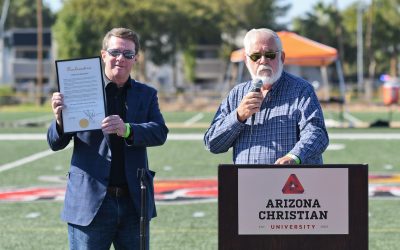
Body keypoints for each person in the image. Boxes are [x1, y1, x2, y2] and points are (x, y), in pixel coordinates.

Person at [48, 27, 168, 249]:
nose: (120, 59)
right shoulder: (79, 89)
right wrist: (59, 120)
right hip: (89, 203)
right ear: (103, 55)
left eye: (128, 54)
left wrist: (129, 130)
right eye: (114, 52)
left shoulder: (146, 93)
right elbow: (55, 142)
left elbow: (160, 132)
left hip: (133, 202)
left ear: (136, 59)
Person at [204, 28, 328, 164]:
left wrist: (294, 157)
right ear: (246, 60)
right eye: (256, 56)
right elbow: (212, 144)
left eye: (270, 55)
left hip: (290, 181)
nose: (263, 61)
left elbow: (317, 134)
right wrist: (238, 116)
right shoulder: (237, 94)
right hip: (248, 183)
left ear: (282, 57)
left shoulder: (301, 90)